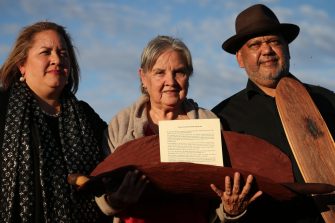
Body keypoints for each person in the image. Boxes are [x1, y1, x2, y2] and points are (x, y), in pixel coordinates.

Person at [94, 35, 262, 223]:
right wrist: (115, 201)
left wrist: (230, 210)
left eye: (179, 72)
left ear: (188, 76)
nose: (171, 81)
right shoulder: (120, 124)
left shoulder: (209, 121)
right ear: (143, 77)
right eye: (160, 72)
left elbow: (223, 189)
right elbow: (101, 189)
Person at [212, 4, 335, 223]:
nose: (266, 50)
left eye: (274, 41)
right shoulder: (223, 118)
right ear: (240, 59)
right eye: (255, 45)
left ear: (287, 49)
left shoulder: (328, 100)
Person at [0, 21, 110, 222]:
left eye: (63, 53)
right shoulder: (3, 107)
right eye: (45, 52)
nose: (56, 59)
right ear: (22, 64)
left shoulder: (85, 115)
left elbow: (116, 155)